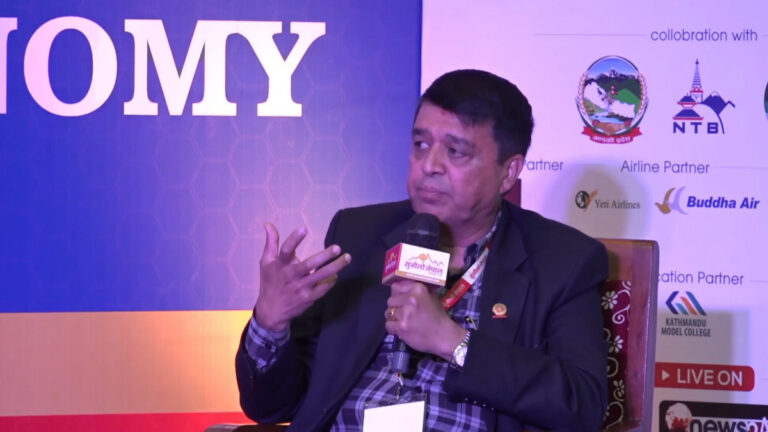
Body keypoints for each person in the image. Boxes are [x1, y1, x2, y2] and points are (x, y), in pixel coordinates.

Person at [236, 69, 608, 431]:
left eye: (455, 151)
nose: (429, 166)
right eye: (421, 145)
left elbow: (583, 406)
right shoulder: (360, 235)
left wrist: (454, 342)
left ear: (508, 173)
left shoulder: (562, 261)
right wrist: (270, 323)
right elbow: (271, 406)